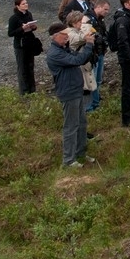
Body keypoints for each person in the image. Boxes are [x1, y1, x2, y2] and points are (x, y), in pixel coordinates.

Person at [45, 20, 94, 167]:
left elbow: (78, 57)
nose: (67, 37)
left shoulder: (64, 49)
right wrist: (88, 45)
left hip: (76, 90)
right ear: (55, 36)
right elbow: (77, 60)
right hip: (68, 92)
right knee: (71, 126)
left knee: (81, 123)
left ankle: (80, 153)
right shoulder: (55, 54)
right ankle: (68, 160)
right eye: (64, 35)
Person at [7, 0, 39, 95]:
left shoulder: (29, 14)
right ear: (18, 6)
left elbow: (32, 28)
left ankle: (32, 89)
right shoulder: (14, 18)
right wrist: (21, 28)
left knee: (30, 66)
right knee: (22, 68)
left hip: (29, 42)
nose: (26, 5)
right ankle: (24, 91)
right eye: (23, 4)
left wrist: (33, 27)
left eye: (26, 3)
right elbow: (10, 33)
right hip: (20, 45)